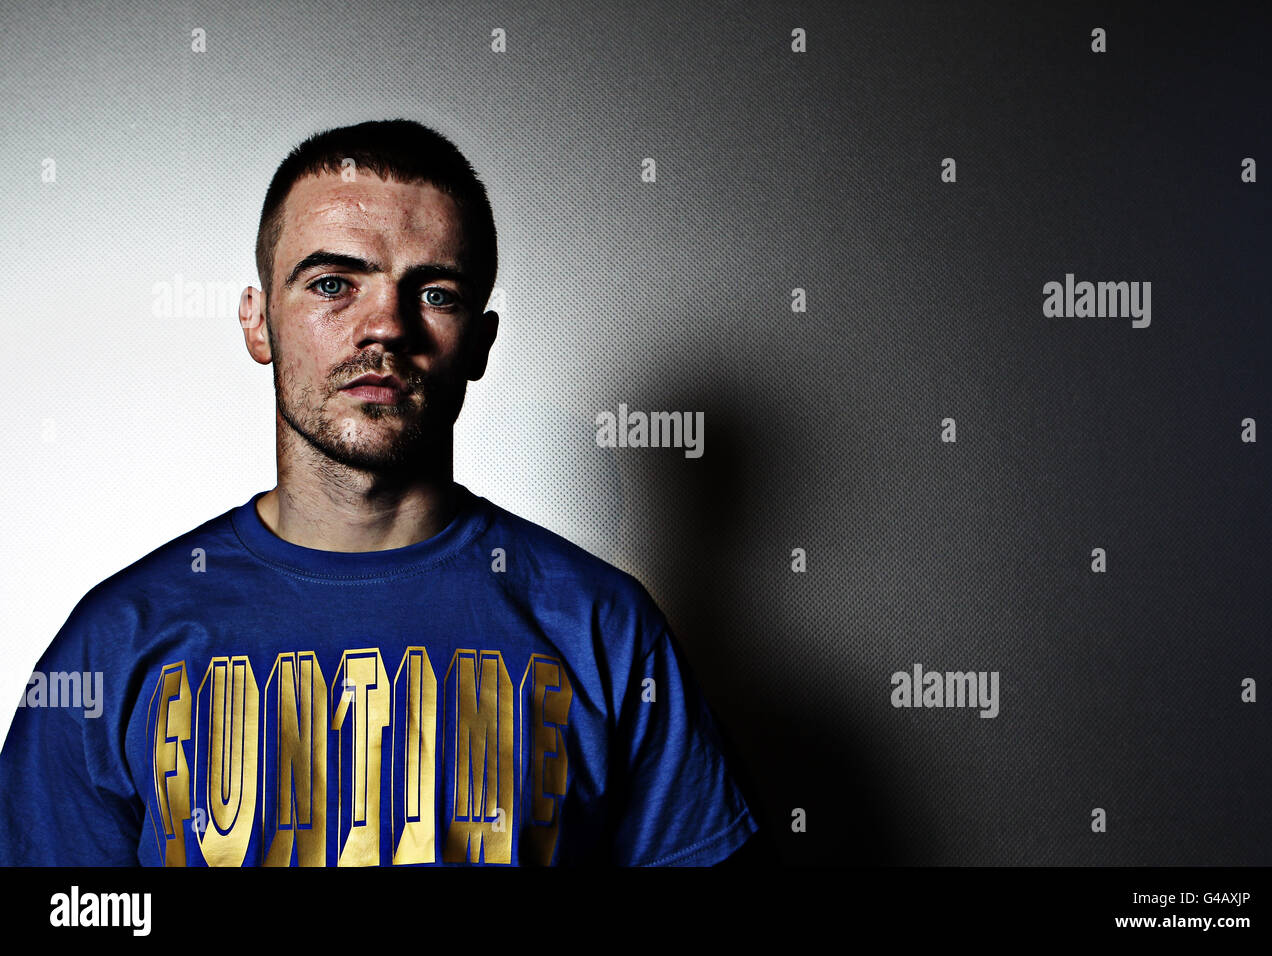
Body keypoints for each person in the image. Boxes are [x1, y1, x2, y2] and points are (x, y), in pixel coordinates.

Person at [0, 119, 759, 867]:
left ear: (481, 345)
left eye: (434, 293)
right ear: (258, 322)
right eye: (333, 284)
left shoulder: (601, 627)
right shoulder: (119, 639)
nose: (386, 328)